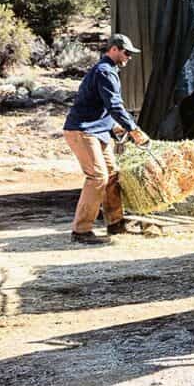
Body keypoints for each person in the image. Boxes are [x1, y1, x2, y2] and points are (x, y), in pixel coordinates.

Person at [63, 33, 150, 244]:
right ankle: (81, 231)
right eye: (126, 52)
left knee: (112, 175)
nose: (129, 57)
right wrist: (133, 129)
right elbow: (114, 106)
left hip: (97, 132)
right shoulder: (104, 71)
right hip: (83, 131)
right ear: (113, 49)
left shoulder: (108, 71)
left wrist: (114, 129)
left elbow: (102, 107)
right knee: (98, 177)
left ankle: (115, 223)